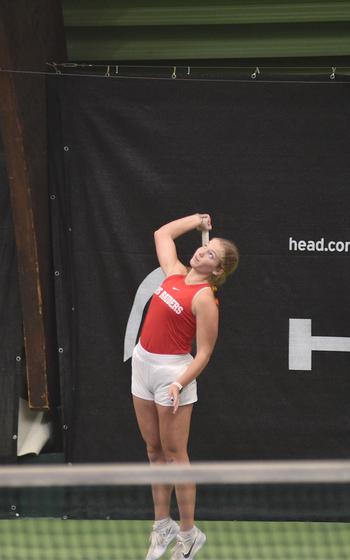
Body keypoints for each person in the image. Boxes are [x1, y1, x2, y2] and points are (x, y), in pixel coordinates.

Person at [131, 213, 239, 560]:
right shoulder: (174, 273)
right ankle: (162, 526)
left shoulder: (205, 298)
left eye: (211, 255)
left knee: (177, 456)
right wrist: (196, 220)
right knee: (153, 451)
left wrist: (179, 381)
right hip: (142, 363)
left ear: (218, 271)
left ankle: (189, 534)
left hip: (172, 374)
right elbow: (161, 233)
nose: (202, 254)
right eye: (206, 248)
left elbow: (205, 352)